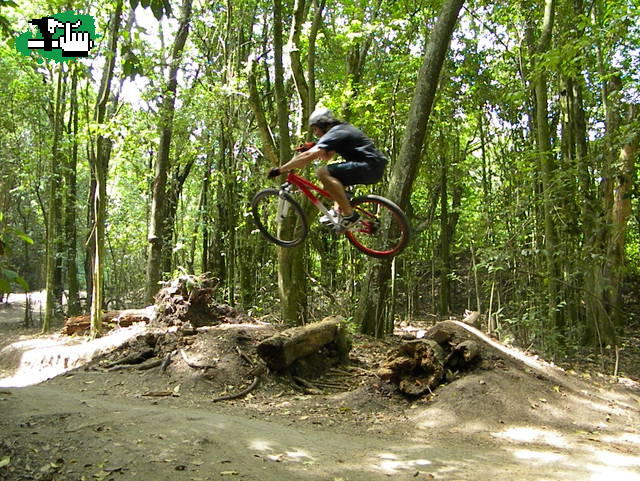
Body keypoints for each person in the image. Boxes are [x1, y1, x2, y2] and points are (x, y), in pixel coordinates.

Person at [267, 108, 388, 230]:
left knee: (322, 173)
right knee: (332, 179)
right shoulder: (342, 129)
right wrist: (314, 147)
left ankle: (349, 216)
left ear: (322, 124)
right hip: (374, 167)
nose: (315, 133)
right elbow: (328, 156)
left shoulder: (335, 132)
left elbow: (308, 157)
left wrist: (280, 170)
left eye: (315, 129)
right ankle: (338, 210)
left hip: (368, 166)